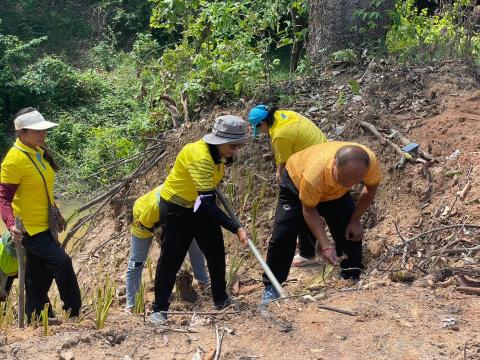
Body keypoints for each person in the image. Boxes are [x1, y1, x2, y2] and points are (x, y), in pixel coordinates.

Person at [149, 115, 249, 325]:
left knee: (215, 251)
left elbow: (207, 198)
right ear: (219, 141)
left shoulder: (218, 155)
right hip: (177, 208)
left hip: (199, 203)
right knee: (171, 259)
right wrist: (235, 227)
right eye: (233, 146)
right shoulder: (200, 157)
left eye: (238, 145)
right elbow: (207, 204)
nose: (236, 150)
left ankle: (220, 299)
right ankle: (159, 309)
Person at [261, 142, 381, 304]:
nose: (349, 185)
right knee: (283, 233)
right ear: (334, 165)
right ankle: (272, 287)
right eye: (344, 179)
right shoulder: (314, 174)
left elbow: (371, 188)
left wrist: (355, 219)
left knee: (350, 230)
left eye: (355, 182)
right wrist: (325, 245)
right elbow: (309, 210)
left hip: (333, 193)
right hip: (296, 182)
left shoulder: (368, 162)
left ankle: (351, 275)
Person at [0, 108, 81, 320]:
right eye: (37, 131)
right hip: (29, 229)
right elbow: (3, 198)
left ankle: (36, 316)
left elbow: (45, 189)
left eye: (43, 130)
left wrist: (56, 212)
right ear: (21, 133)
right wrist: (10, 224)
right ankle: (73, 312)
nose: (43, 134)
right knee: (62, 263)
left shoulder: (39, 152)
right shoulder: (14, 160)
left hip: (46, 224)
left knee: (38, 276)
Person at [248, 104, 328, 267]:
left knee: (300, 206)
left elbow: (284, 164)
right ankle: (317, 243)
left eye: (259, 129)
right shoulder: (285, 115)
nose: (262, 133)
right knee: (313, 206)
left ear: (263, 123)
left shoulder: (279, 134)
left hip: (314, 168)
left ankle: (307, 254)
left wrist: (280, 179)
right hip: (326, 157)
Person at [125, 184, 210, 312]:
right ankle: (131, 305)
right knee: (136, 263)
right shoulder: (155, 206)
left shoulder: (186, 195)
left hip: (166, 218)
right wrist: (162, 236)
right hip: (142, 220)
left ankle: (204, 282)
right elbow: (147, 224)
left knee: (194, 242)